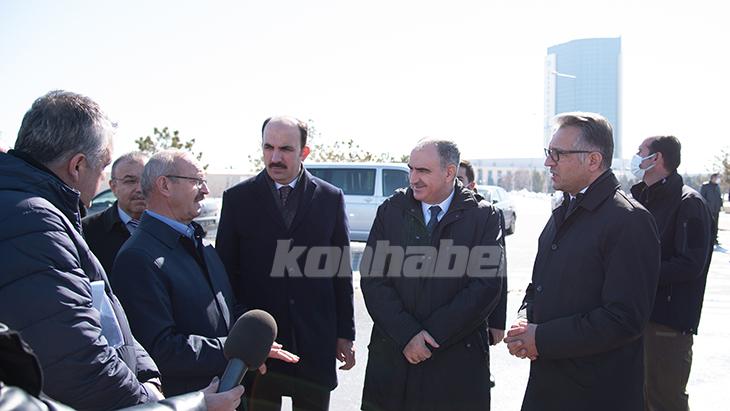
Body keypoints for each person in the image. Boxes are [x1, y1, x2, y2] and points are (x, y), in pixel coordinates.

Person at [0, 90, 243, 411]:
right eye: (103, 167)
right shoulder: (33, 221)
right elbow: (77, 362)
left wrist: (147, 376)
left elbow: (109, 320)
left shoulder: (30, 214)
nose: (103, 179)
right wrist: (158, 402)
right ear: (77, 166)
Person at [505, 112, 661, 411]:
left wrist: (542, 338)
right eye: (549, 152)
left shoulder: (629, 220)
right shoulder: (564, 211)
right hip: (549, 386)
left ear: (593, 160)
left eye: (558, 154)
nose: (548, 162)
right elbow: (539, 286)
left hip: (596, 394)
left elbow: (624, 318)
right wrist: (525, 320)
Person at [111, 150, 299, 396]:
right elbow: (158, 349)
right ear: (164, 185)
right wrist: (234, 349)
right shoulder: (137, 258)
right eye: (197, 181)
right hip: (186, 401)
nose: (206, 190)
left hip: (224, 394)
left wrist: (253, 344)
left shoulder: (201, 245)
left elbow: (226, 309)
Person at [216, 116, 355, 411]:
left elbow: (340, 272)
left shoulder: (330, 198)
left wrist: (345, 334)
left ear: (304, 152)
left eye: (286, 149)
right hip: (261, 351)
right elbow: (225, 276)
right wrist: (242, 336)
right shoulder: (238, 199)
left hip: (314, 344)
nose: (275, 158)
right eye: (268, 147)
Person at [360, 139, 504, 411]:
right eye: (411, 169)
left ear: (449, 172)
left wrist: (430, 337)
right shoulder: (391, 210)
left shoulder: (484, 216)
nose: (413, 178)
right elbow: (373, 278)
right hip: (394, 359)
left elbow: (485, 286)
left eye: (423, 171)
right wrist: (407, 334)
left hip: (455, 364)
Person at [630, 136, 713, 411]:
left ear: (656, 159)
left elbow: (690, 264)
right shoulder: (641, 197)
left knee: (664, 400)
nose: (635, 156)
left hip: (667, 324)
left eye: (640, 151)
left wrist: (640, 274)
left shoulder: (689, 203)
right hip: (638, 316)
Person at [457, 159, 507, 388]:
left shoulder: (487, 215)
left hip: (478, 309)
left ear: (472, 185)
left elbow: (499, 273)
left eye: (459, 179)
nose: (454, 184)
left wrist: (497, 322)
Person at [82, 151, 148, 274]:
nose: (140, 189)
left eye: (146, 180)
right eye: (130, 181)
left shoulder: (170, 228)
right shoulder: (87, 231)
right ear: (113, 186)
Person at [700, 172, 723, 245]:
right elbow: (702, 197)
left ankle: (714, 239)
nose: (717, 179)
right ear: (712, 178)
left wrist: (720, 204)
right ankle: (707, 238)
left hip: (716, 209)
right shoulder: (705, 186)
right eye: (716, 178)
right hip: (708, 209)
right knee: (708, 224)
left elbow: (719, 197)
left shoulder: (717, 187)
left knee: (715, 225)